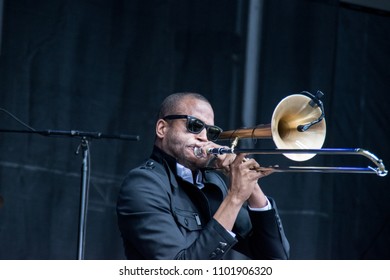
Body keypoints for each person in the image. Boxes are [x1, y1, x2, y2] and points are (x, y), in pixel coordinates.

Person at [116, 92, 290, 260]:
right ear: (162, 128)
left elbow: (274, 257)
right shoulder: (143, 184)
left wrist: (252, 185)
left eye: (211, 132)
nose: (204, 137)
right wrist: (235, 198)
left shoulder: (213, 183)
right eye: (195, 126)